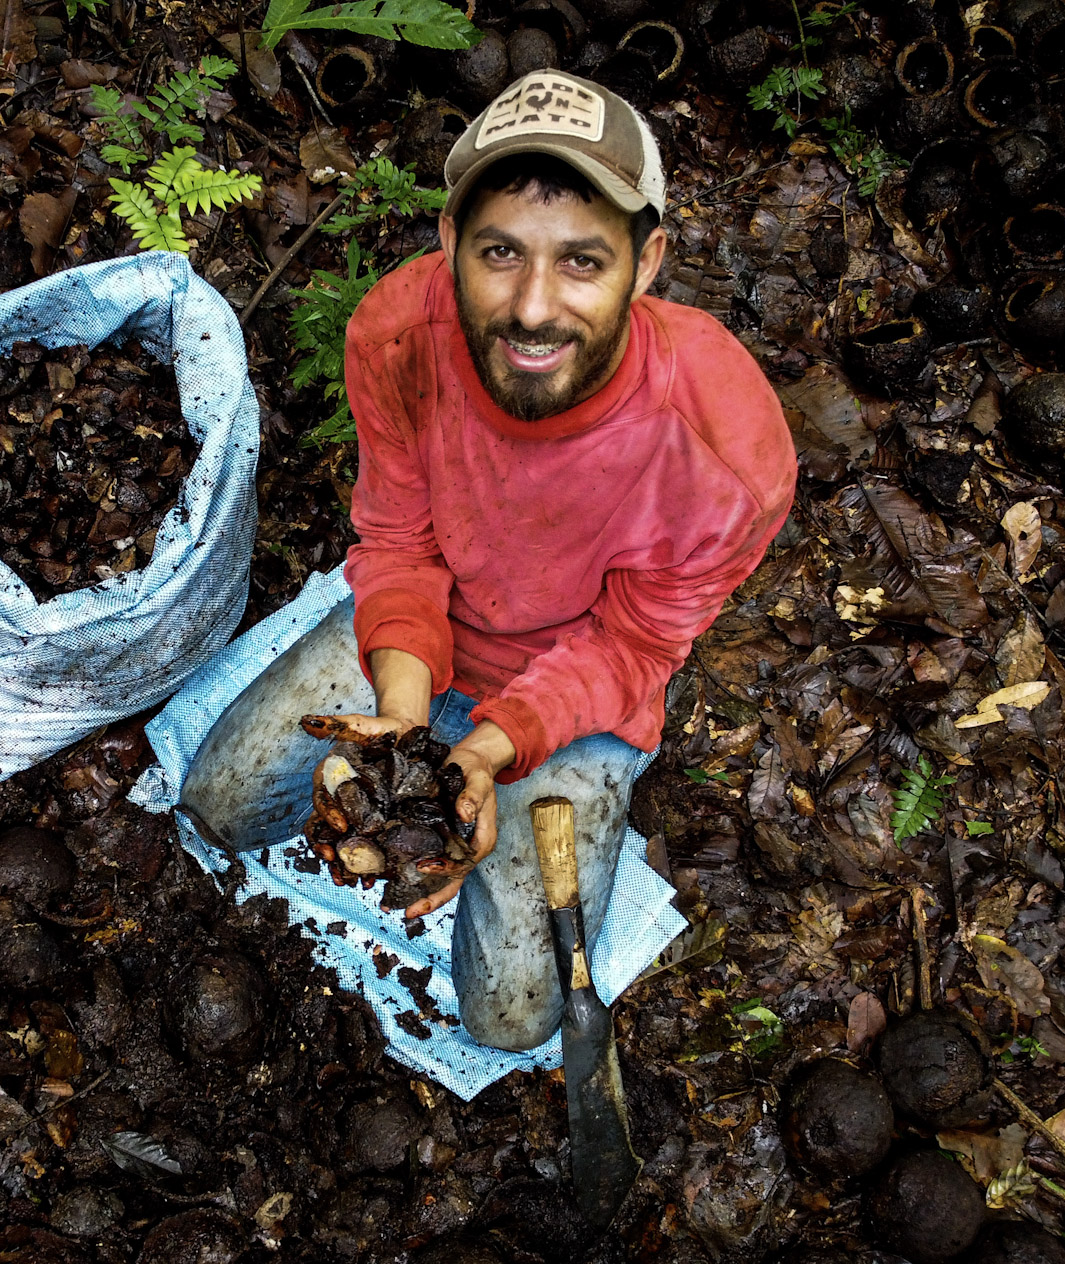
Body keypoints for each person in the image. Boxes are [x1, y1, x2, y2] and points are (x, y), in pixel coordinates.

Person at [181, 71, 797, 1051]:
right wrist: (403, 713)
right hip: (430, 636)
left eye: (581, 262)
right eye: (500, 253)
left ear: (646, 264)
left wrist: (482, 751)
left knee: (512, 1018)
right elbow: (397, 543)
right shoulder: (398, 335)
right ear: (449, 243)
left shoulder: (722, 450)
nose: (531, 308)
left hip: (576, 698)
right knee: (218, 804)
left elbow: (635, 643)